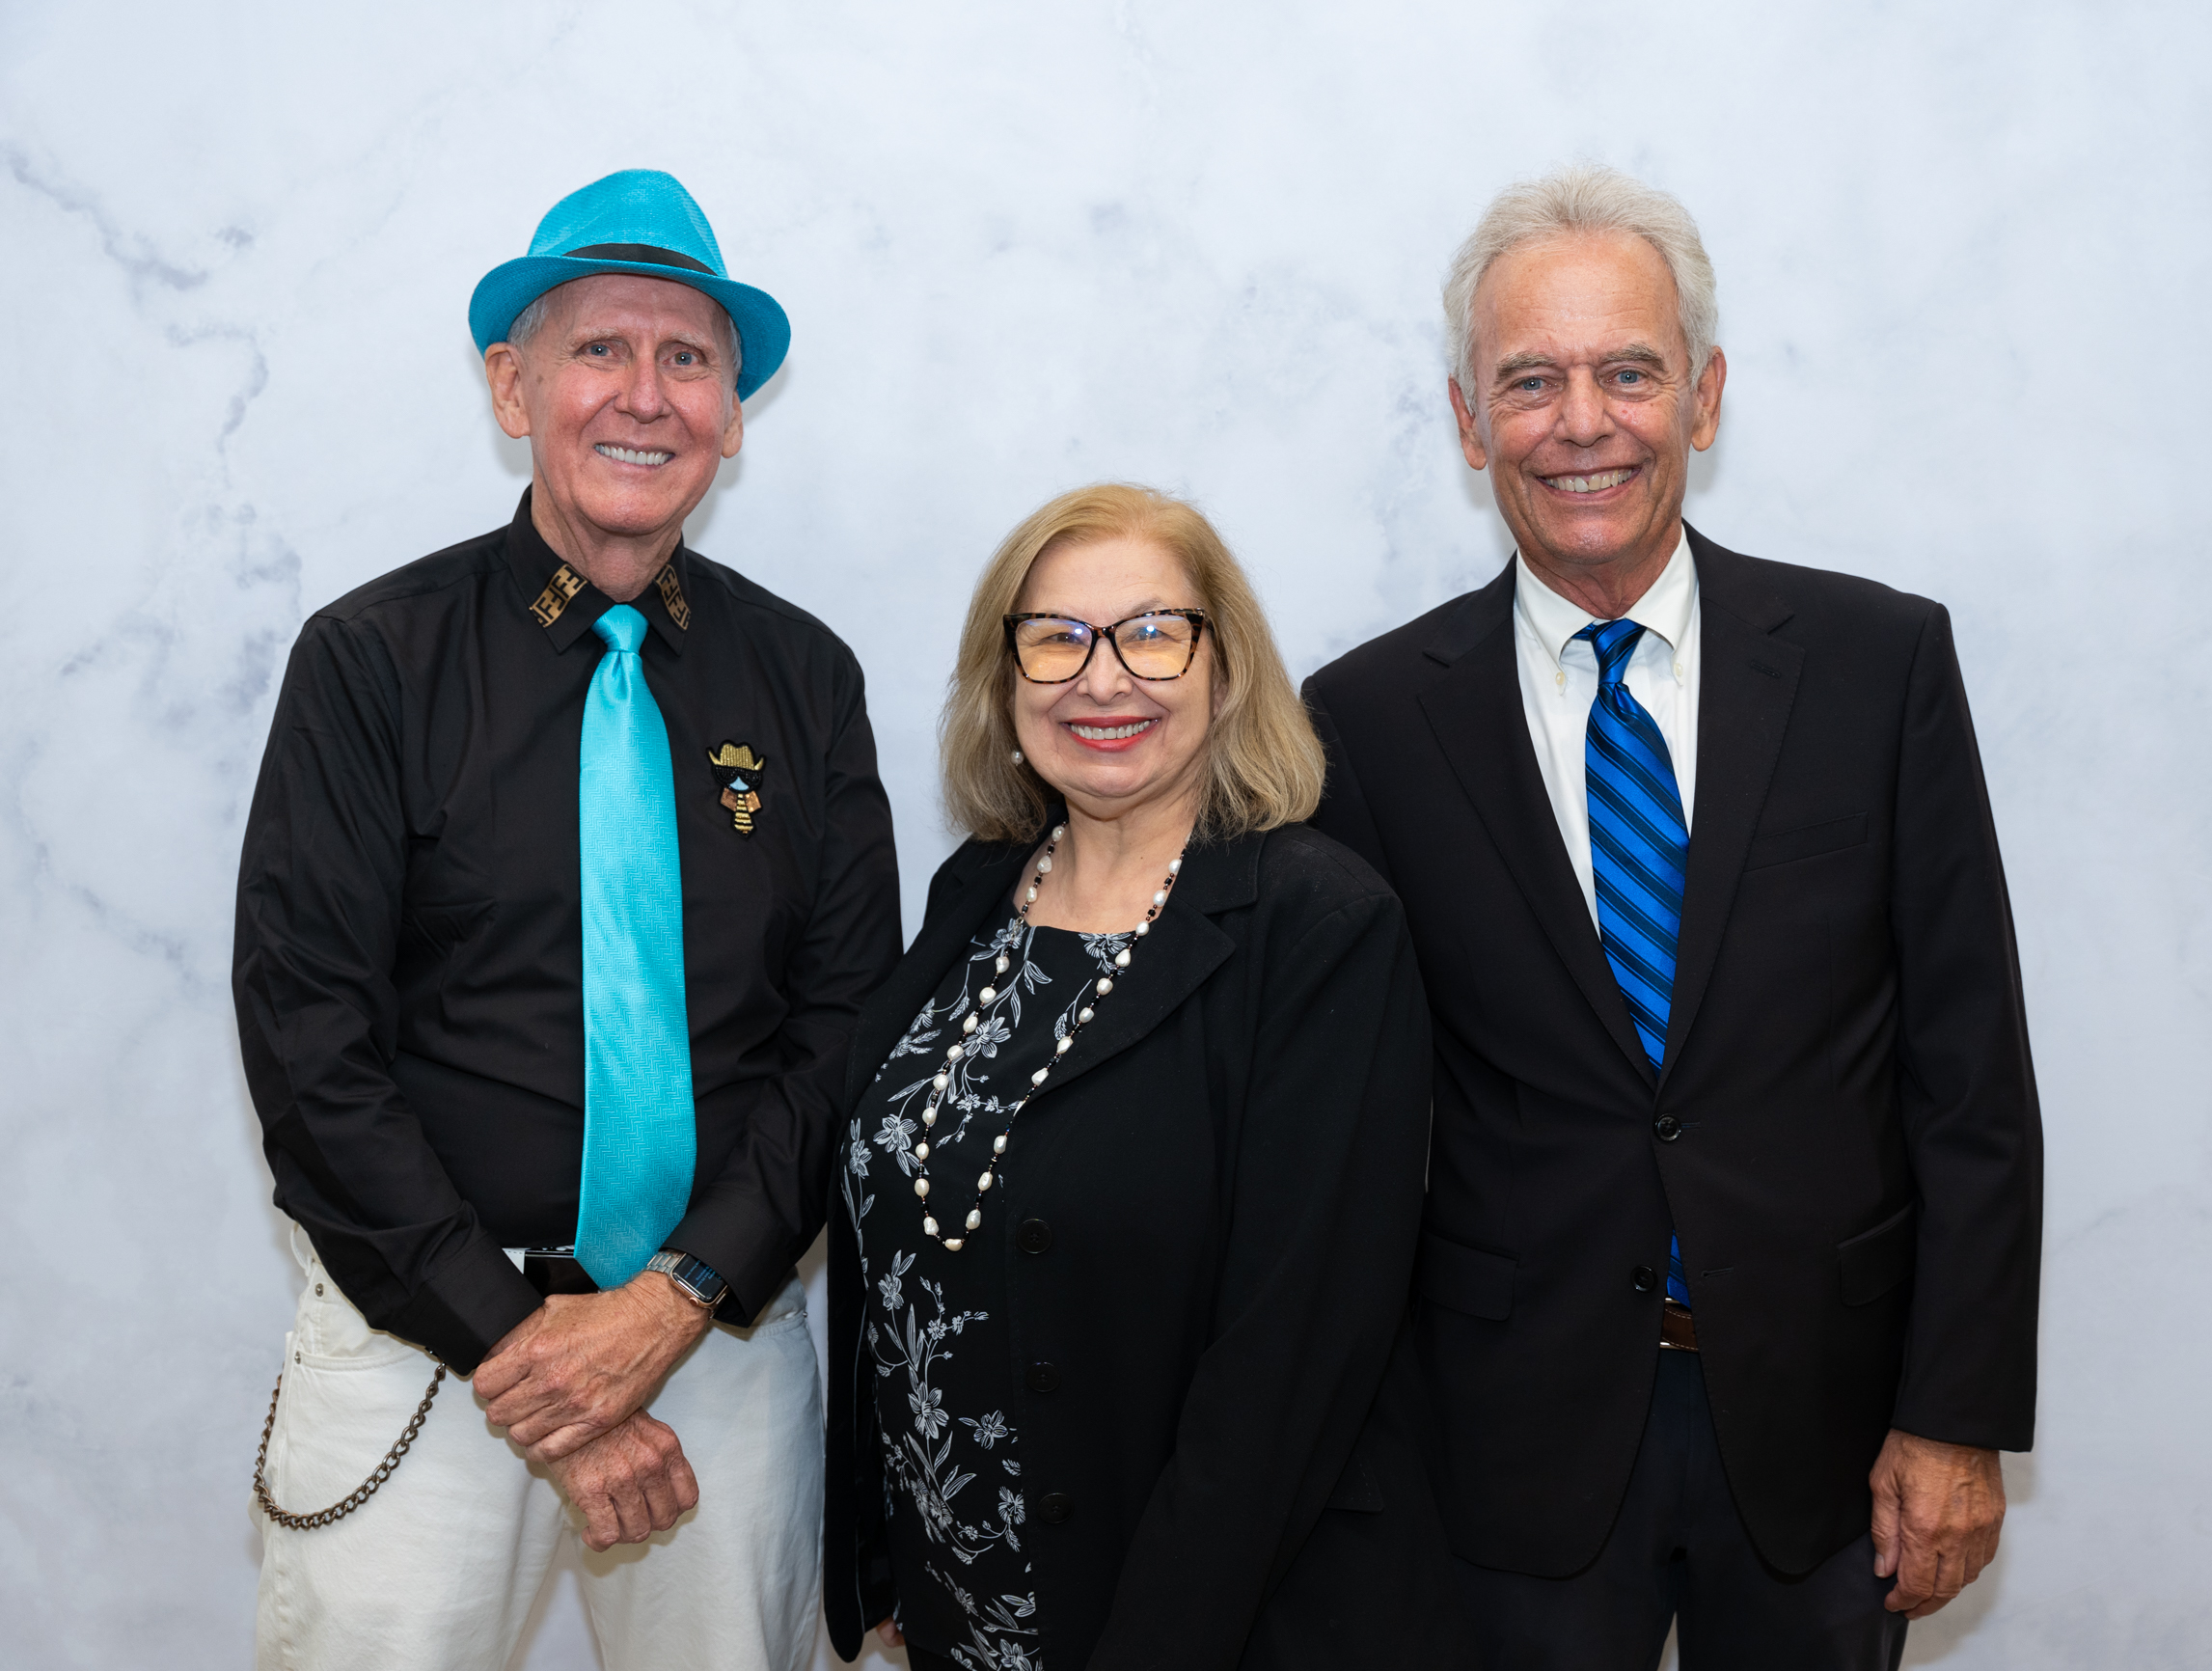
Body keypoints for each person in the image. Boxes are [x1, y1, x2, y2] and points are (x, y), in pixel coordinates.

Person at [1304, 163, 2043, 1670]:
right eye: (1531, 380)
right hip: (1506, 1444)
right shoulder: (1364, 724)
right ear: (1467, 422)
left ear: (1702, 397)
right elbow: (1352, 1135)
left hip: (1829, 1431)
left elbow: (1969, 1078)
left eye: (1628, 373)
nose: (1582, 422)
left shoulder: (1877, 665)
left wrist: (1954, 1416)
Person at [233, 169, 902, 1671]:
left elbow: (847, 1029)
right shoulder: (370, 663)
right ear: (511, 386)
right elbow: (310, 1044)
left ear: (733, 412)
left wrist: (677, 1298)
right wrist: (526, 1349)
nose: (645, 396)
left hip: (713, 1344)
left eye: (688, 359)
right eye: (600, 348)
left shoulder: (804, 680)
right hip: (425, 1345)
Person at [821, 484, 1461, 1670]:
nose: (1101, 679)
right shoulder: (978, 889)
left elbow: (1289, 1359)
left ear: (1226, 670)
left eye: (1153, 633)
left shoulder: (1316, 925)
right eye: (1054, 637)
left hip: (1195, 1619)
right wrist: (893, 1548)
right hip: (961, 1608)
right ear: (1005, 679)